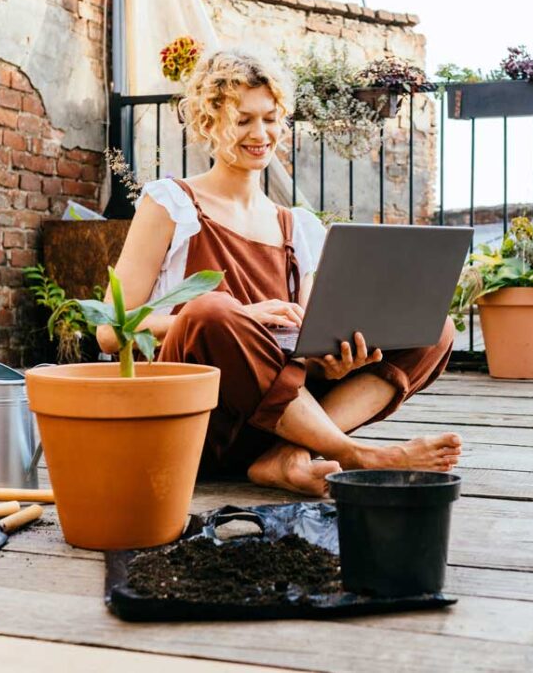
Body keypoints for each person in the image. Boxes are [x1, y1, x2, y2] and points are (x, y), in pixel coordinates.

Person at [97, 49, 460, 497]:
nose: (260, 134)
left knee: (435, 328)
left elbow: (304, 352)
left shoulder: (297, 226)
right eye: (243, 119)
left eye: (270, 118)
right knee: (211, 310)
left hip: (277, 422)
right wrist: (243, 318)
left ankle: (289, 454)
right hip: (202, 424)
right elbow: (111, 332)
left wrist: (334, 358)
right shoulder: (170, 203)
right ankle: (352, 453)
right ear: (208, 124)